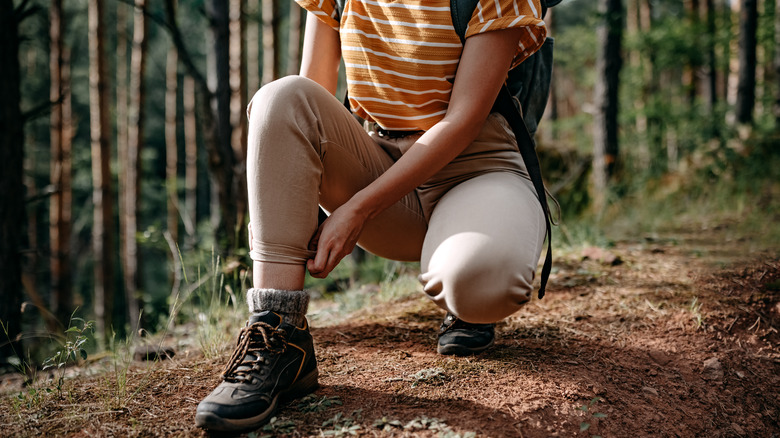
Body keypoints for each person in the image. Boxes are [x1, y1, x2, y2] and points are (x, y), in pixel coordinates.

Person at [195, 0, 548, 432]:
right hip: (378, 157)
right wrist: (302, 198)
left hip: (476, 167)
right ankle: (278, 331)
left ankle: (469, 293)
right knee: (280, 100)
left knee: (482, 281)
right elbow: (313, 95)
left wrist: (357, 210)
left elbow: (463, 119)